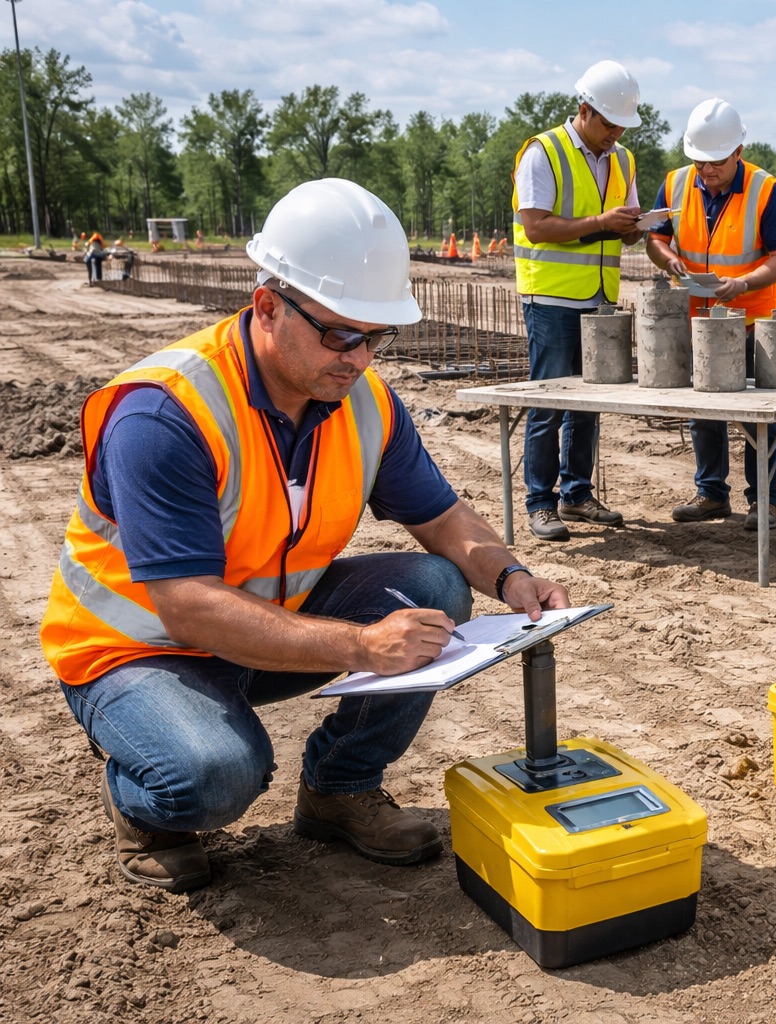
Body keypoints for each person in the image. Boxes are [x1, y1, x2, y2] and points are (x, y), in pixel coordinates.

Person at [40, 177, 570, 894]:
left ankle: (339, 789)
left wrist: (510, 575)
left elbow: (443, 519)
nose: (358, 357)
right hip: (138, 651)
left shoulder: (363, 401)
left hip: (265, 624)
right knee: (216, 774)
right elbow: (188, 606)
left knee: (434, 584)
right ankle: (147, 808)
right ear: (267, 306)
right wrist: (361, 646)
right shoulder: (164, 414)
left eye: (375, 337)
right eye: (339, 334)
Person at [646, 98, 776, 531]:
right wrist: (668, 259)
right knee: (704, 411)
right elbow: (655, 239)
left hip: (754, 319)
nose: (706, 170)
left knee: (759, 417)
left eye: (715, 162)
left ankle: (763, 501)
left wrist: (744, 283)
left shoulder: (766, 191)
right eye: (699, 160)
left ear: (738, 152)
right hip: (702, 319)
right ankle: (712, 493)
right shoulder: (676, 184)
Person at [512, 60, 645, 542]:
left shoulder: (623, 160)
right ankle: (540, 503)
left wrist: (634, 227)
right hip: (552, 297)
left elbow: (625, 228)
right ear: (584, 110)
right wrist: (602, 223)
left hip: (600, 299)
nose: (615, 134)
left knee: (588, 403)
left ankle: (576, 494)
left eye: (622, 127)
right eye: (609, 124)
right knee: (548, 403)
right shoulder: (543, 153)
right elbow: (536, 226)